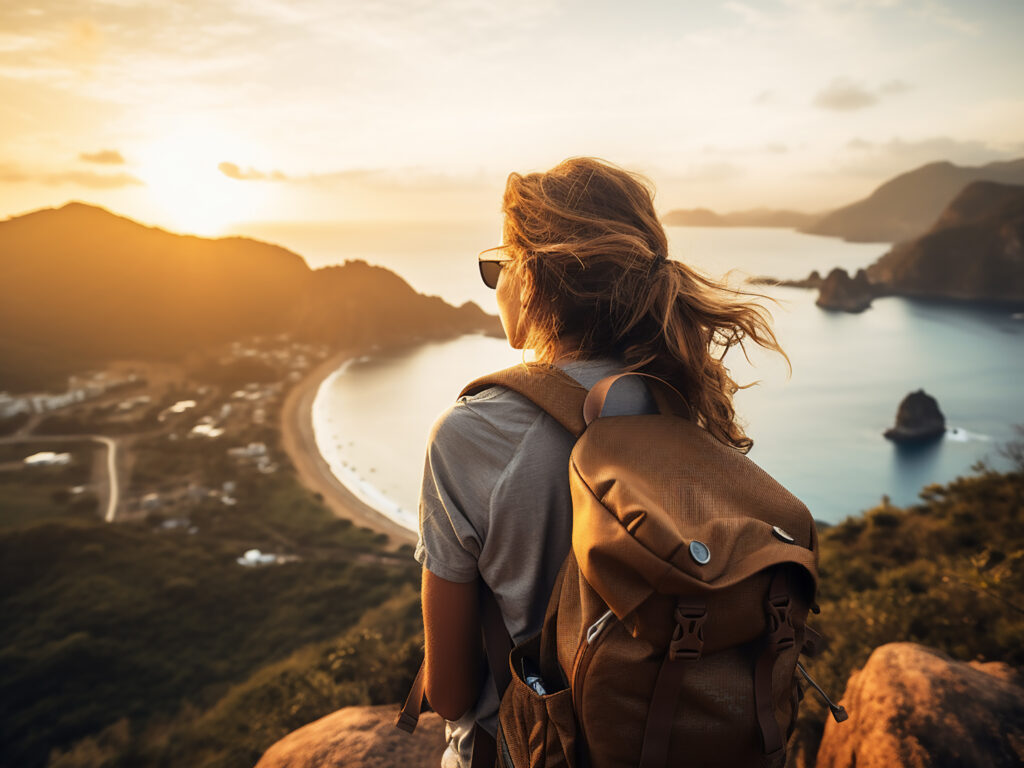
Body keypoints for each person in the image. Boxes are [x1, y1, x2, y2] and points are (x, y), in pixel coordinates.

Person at [414, 156, 788, 768]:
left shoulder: (471, 435)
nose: (496, 283)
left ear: (532, 277)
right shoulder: (682, 399)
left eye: (499, 265)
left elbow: (451, 692)